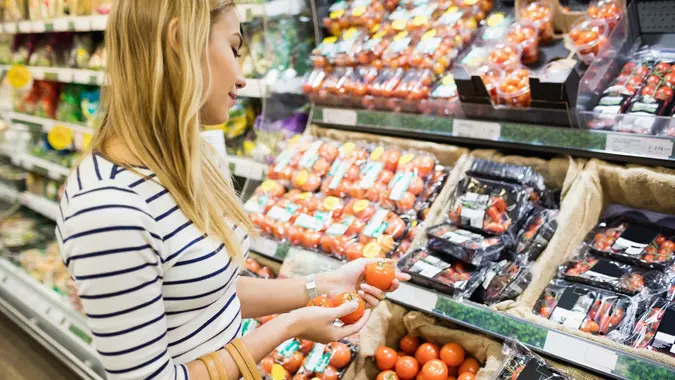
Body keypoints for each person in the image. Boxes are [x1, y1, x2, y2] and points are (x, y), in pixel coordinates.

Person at [56, 0, 409, 379]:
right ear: (180, 41)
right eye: (233, 48)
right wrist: (287, 327)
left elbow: (208, 293)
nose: (241, 77)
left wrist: (320, 284)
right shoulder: (107, 211)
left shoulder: (198, 159)